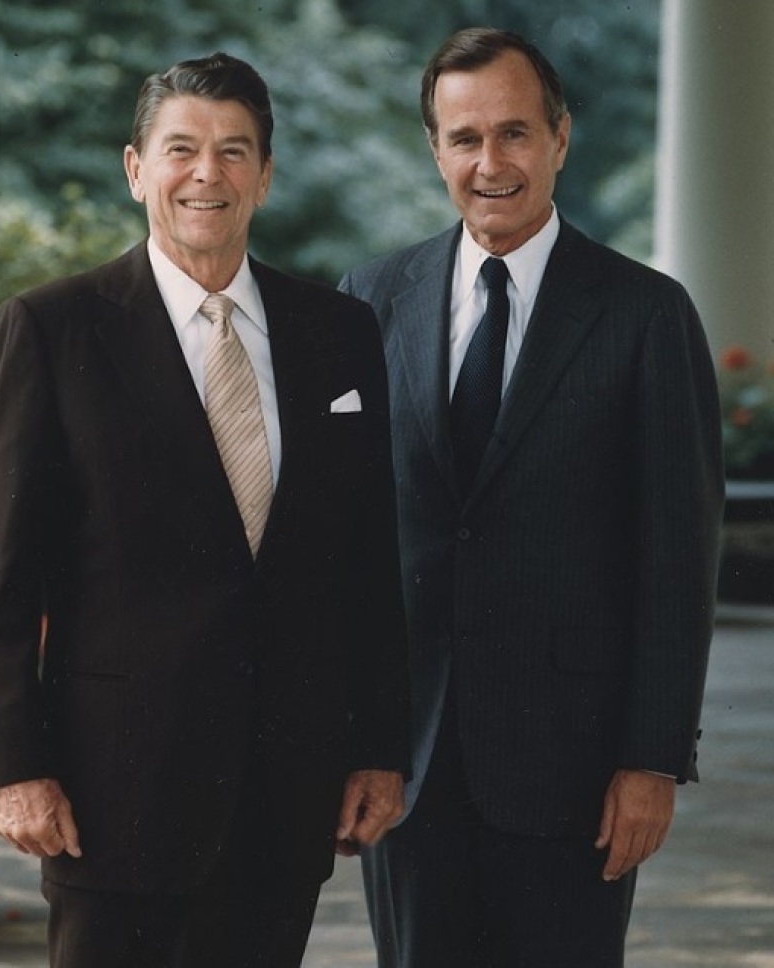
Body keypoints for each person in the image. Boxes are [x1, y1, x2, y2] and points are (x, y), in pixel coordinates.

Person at [0, 52, 409, 968]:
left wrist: (378, 747)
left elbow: (368, 563)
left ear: (266, 175)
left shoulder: (339, 333)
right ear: (136, 169)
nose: (208, 174)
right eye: (182, 149)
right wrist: (13, 767)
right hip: (110, 796)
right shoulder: (51, 330)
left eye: (235, 151)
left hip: (285, 796)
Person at [339, 27, 724, 968]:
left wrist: (651, 759)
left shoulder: (645, 313)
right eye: (464, 138)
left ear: (561, 137)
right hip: (407, 769)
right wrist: (348, 739)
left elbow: (678, 557)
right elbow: (343, 544)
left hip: (576, 772)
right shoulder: (370, 300)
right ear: (435, 148)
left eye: (514, 133)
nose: (490, 162)